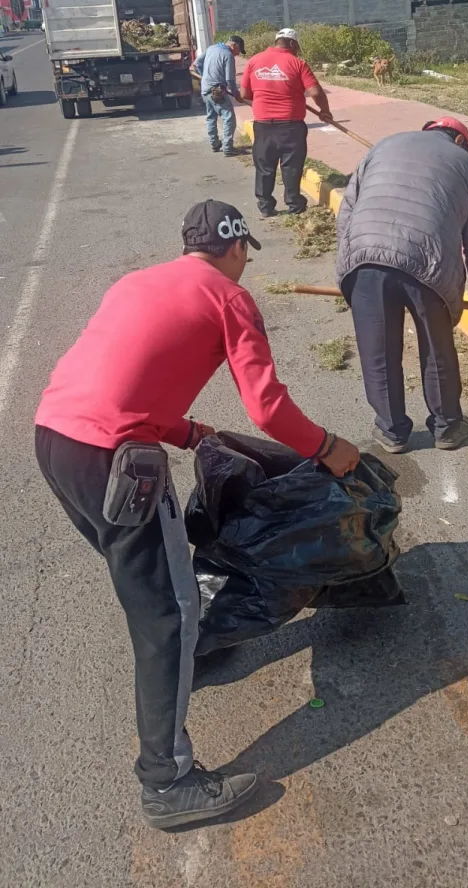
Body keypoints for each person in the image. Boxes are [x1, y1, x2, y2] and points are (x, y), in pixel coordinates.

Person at [35, 200, 359, 831]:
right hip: (116, 462)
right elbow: (268, 408)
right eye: (245, 255)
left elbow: (121, 380)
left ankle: (183, 660)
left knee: (156, 593)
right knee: (167, 612)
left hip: (55, 441)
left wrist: (190, 432)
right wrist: (328, 449)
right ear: (237, 249)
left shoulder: (138, 281)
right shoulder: (229, 298)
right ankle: (168, 782)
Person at [336, 118, 468, 454]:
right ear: (460, 140)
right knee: (436, 347)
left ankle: (392, 431)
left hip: (365, 257)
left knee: (378, 352)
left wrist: (346, 272)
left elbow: (346, 214)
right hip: (426, 263)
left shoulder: (383, 144)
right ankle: (448, 428)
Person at [239, 27, 333, 217]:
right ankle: (294, 204)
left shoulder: (254, 61)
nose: (298, 50)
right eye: (297, 45)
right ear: (291, 43)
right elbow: (316, 92)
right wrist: (325, 111)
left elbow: (243, 95)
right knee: (291, 166)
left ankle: (265, 206)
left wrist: (262, 104)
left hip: (263, 125)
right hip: (291, 125)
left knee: (264, 166)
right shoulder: (297, 63)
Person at [191, 35, 245, 156]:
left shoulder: (211, 48)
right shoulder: (228, 56)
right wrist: (236, 94)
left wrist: (205, 77)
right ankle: (228, 148)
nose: (238, 54)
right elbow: (230, 80)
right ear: (234, 45)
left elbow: (196, 64)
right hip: (217, 91)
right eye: (238, 50)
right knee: (229, 117)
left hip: (205, 89)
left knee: (211, 117)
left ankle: (214, 143)